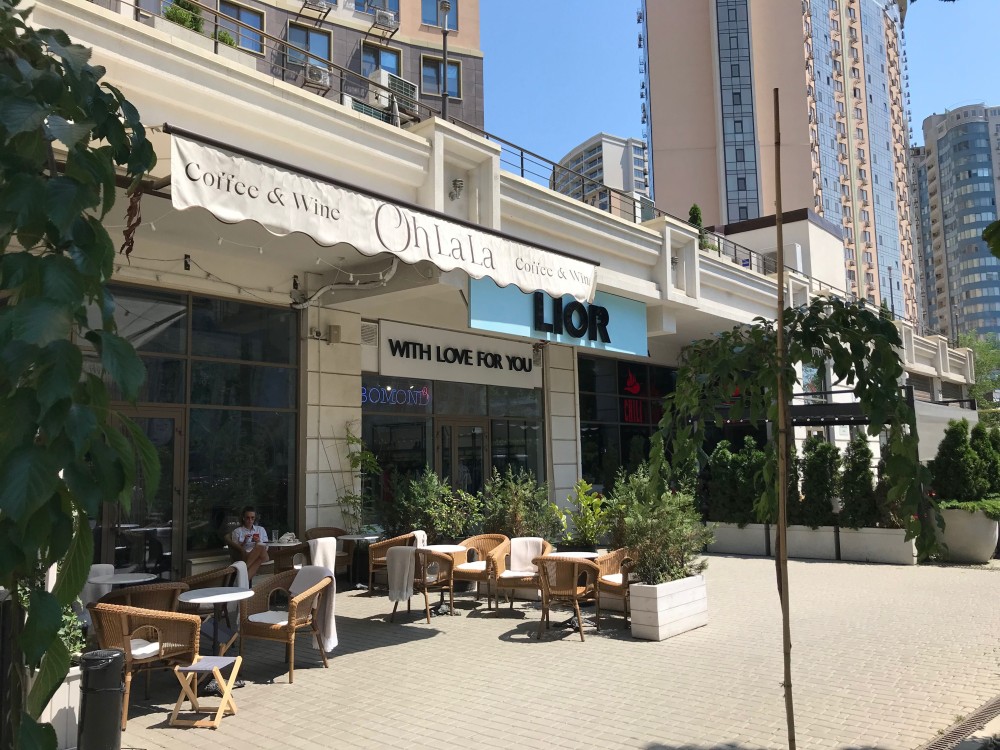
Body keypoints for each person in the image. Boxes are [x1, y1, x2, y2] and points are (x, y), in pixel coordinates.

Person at [232, 506, 269, 580]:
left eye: (252, 518)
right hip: (246, 555)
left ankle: (243, 569)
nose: (250, 520)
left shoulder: (260, 529)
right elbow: (235, 548)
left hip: (264, 555)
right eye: (247, 518)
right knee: (259, 559)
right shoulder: (237, 531)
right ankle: (243, 581)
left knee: (260, 546)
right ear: (243, 518)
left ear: (255, 518)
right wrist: (244, 541)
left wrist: (258, 541)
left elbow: (266, 545)